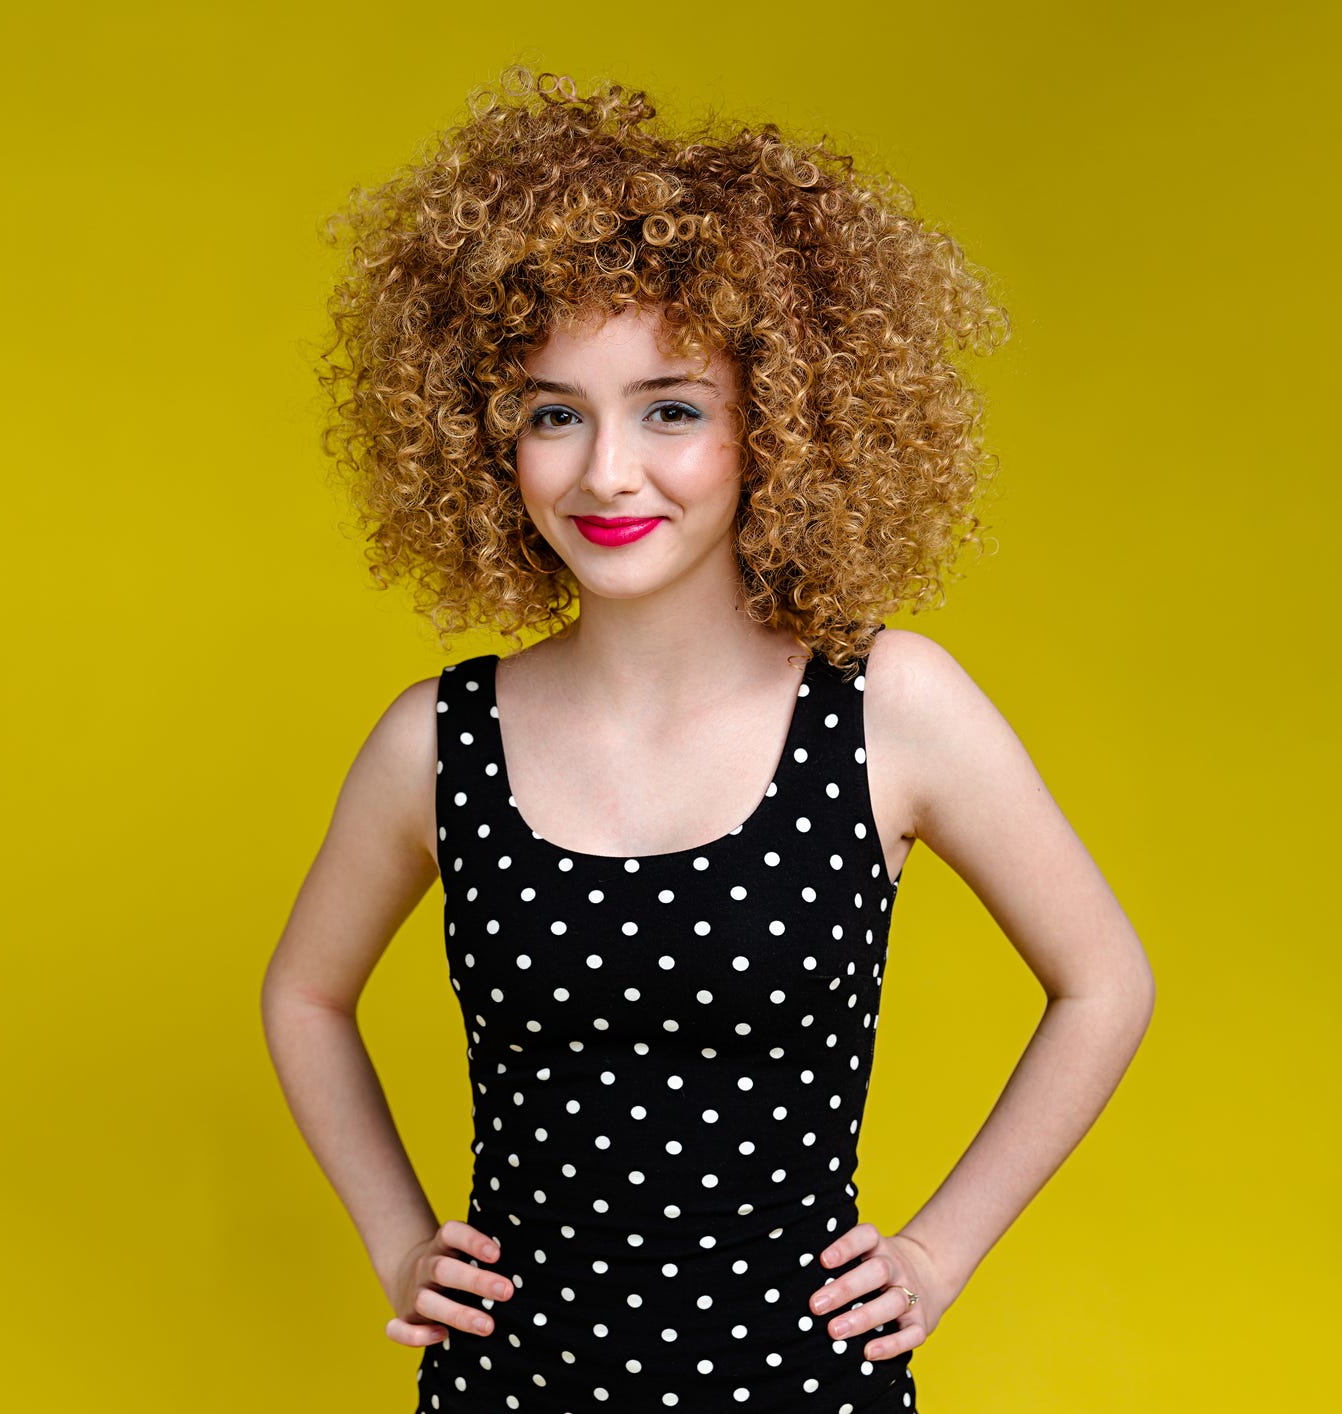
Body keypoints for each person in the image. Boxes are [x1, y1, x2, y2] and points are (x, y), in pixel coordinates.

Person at [261, 67, 1154, 1413]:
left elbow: (1104, 980)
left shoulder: (887, 710)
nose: (606, 469)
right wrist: (398, 1240)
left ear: (777, 421)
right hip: (511, 1387)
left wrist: (934, 1252)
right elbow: (304, 996)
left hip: (798, 1388)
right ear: (489, 431)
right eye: (554, 410)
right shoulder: (433, 744)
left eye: (669, 407)